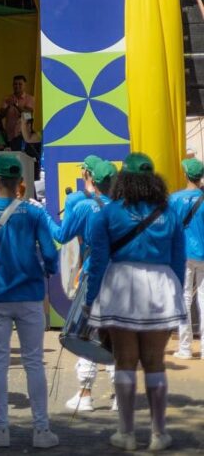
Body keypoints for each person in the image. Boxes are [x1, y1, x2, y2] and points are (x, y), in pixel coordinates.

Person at [86, 153, 186, 452]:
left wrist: (91, 300)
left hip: (120, 286)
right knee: (155, 362)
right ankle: (158, 434)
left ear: (123, 180)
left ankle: (126, 433)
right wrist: (176, 292)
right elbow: (178, 260)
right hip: (161, 287)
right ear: (154, 179)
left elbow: (98, 261)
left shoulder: (107, 214)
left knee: (124, 361)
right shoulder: (169, 213)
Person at [0, 154, 60, 449]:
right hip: (30, 294)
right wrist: (48, 270)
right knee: (34, 362)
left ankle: (1, 430)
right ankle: (42, 430)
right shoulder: (33, 214)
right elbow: (50, 252)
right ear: (20, 183)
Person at [57, 158, 116, 412]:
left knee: (87, 332)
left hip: (94, 274)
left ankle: (85, 392)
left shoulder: (83, 206)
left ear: (90, 177)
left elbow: (61, 235)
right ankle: (119, 396)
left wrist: (39, 213)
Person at [173, 157, 204, 360]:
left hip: (182, 254)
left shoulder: (174, 199)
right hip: (203, 254)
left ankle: (185, 348)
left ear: (185, 174)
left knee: (183, 298)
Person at [0, 75, 35, 142]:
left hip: (23, 135)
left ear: (25, 85)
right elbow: (1, 115)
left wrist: (15, 105)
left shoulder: (30, 99)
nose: (17, 86)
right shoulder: (7, 98)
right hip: (9, 134)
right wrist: (8, 106)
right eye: (15, 84)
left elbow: (28, 115)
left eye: (20, 84)